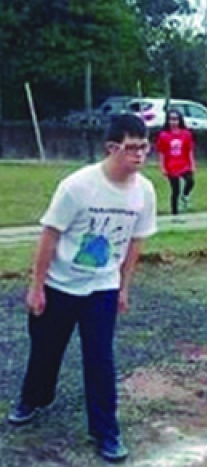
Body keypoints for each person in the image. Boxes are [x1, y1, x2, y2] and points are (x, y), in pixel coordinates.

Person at [6, 114, 157, 463]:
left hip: (102, 288)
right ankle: (33, 398)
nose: (139, 155)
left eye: (144, 147)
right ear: (111, 147)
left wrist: (123, 286)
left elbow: (136, 241)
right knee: (46, 350)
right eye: (132, 148)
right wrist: (37, 287)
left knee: (100, 358)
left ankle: (106, 430)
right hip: (60, 285)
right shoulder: (78, 186)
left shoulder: (144, 191)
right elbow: (50, 235)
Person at [156, 109, 196, 215]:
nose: (173, 122)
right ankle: (175, 212)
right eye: (171, 120)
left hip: (184, 164)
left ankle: (185, 195)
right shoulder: (164, 135)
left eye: (176, 119)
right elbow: (162, 153)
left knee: (190, 181)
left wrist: (192, 164)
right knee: (175, 190)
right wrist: (162, 167)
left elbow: (189, 150)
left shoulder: (186, 134)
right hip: (171, 165)